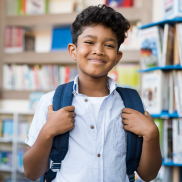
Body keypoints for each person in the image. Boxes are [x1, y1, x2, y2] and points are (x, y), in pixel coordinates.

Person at [23, 5, 162, 182]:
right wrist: (48, 131)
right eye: (89, 42)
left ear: (117, 57)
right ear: (73, 51)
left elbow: (149, 175)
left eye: (109, 45)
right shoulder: (51, 102)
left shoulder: (131, 104)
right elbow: (31, 172)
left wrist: (152, 134)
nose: (99, 50)